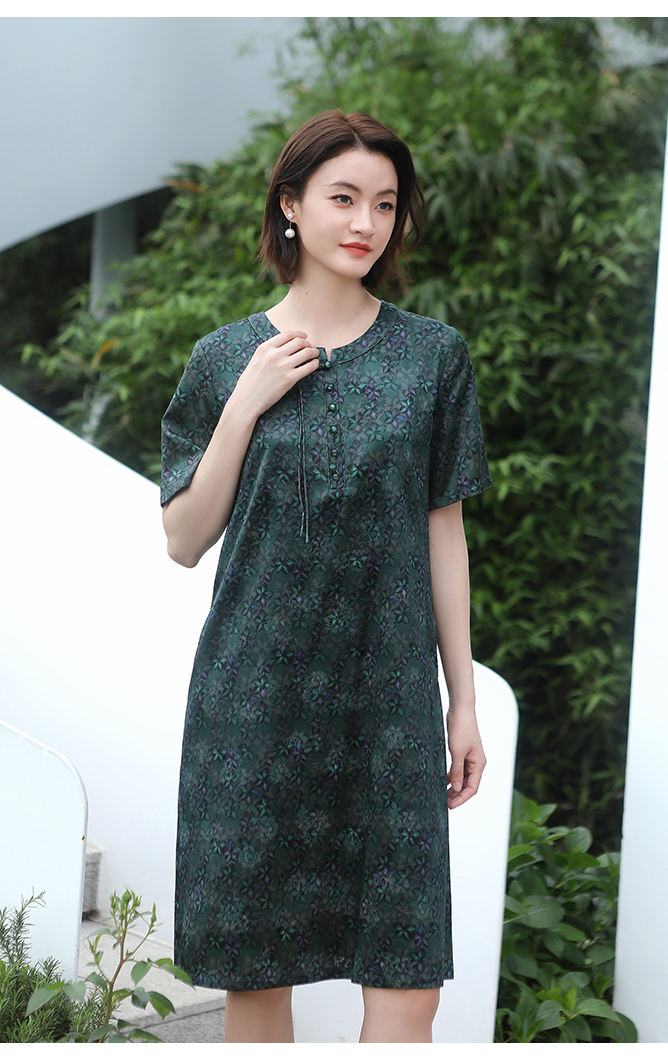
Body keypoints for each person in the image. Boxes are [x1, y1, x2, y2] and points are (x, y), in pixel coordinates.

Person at [160, 110, 493, 1044]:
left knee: (408, 990)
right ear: (291, 206)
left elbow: (444, 534)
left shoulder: (434, 357)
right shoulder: (223, 359)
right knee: (258, 981)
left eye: (385, 204)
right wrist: (246, 403)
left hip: (388, 706)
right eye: (344, 197)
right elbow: (184, 537)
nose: (366, 222)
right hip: (254, 703)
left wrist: (462, 701)